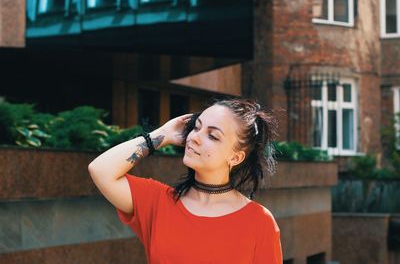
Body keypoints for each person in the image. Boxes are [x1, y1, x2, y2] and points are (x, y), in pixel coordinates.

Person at [88, 98, 283, 264]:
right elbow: (101, 169)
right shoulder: (158, 202)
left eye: (212, 136)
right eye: (196, 127)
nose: (195, 138)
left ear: (236, 157)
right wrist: (161, 135)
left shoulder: (259, 222)